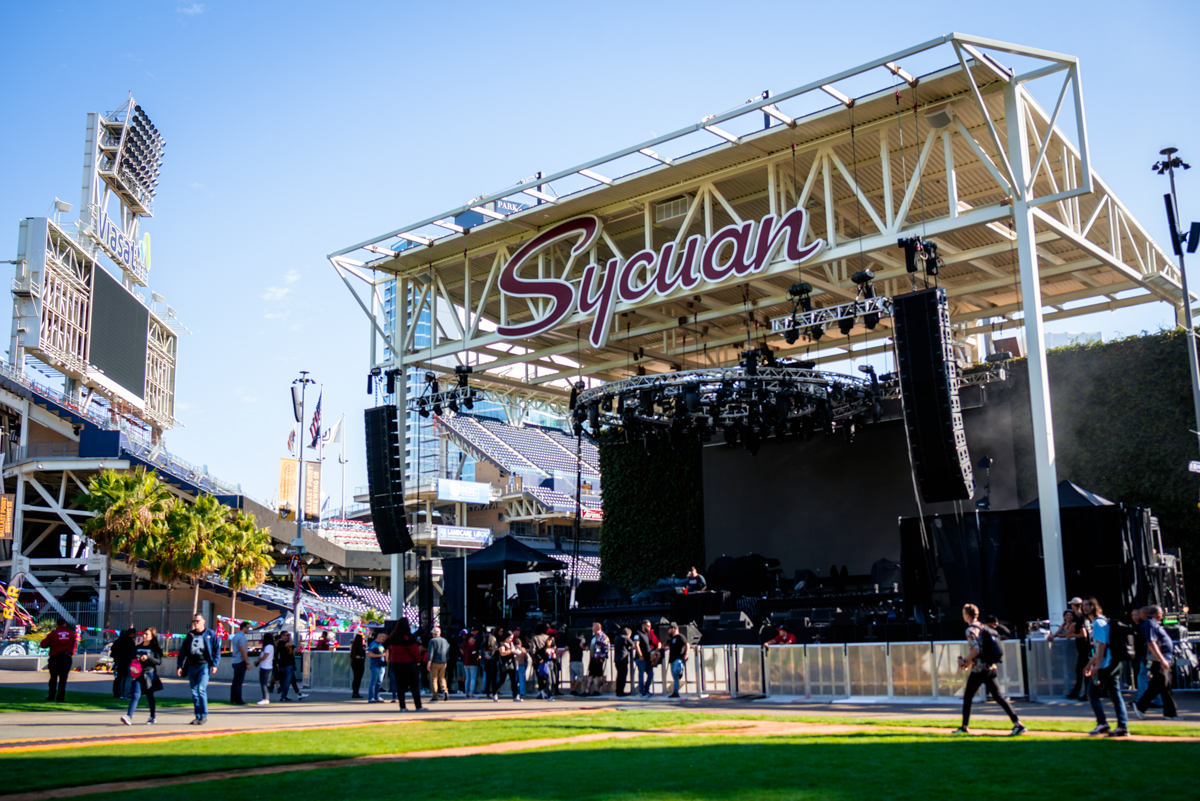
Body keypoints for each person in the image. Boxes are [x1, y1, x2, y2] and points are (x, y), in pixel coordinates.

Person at [953, 604, 1025, 736]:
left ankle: (964, 727)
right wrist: (970, 661)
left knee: (968, 697)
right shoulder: (982, 626)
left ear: (967, 615)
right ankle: (1017, 724)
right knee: (999, 697)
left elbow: (976, 650)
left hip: (979, 669)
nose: (962, 616)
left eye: (963, 613)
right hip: (990, 667)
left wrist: (964, 661)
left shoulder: (970, 630)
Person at [1083, 596, 1128, 737]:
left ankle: (1102, 723)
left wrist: (1096, 666)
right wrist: (1089, 664)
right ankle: (1122, 725)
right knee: (1115, 694)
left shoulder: (1097, 623)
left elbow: (1101, 645)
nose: (1085, 608)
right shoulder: (1103, 621)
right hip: (1113, 662)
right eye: (1084, 605)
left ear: (1093, 607)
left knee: (1092, 692)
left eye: (1088, 605)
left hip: (1105, 665)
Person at [1134, 605, 1178, 720]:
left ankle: (1170, 712)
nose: (1162, 615)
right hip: (1157, 660)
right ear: (1158, 614)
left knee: (1164, 685)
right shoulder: (1150, 624)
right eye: (1162, 613)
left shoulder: (1153, 623)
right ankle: (1141, 705)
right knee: (1160, 683)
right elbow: (1151, 642)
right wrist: (1161, 659)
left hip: (1162, 659)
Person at [176, 613, 221, 725]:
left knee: (201, 689)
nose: (195, 623)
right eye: (194, 621)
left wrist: (215, 664)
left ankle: (204, 715)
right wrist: (179, 666)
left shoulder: (210, 633)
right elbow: (182, 652)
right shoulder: (190, 635)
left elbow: (217, 650)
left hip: (204, 666)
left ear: (203, 622)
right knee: (194, 692)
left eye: (198, 621)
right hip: (191, 666)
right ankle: (198, 716)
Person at [121, 629, 163, 725]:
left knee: (149, 695)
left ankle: (152, 717)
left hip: (149, 674)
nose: (144, 635)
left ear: (152, 636)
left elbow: (158, 661)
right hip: (138, 673)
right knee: (136, 694)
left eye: (147, 634)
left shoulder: (154, 648)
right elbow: (132, 659)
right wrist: (138, 659)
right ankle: (129, 716)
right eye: (143, 633)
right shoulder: (137, 647)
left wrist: (148, 658)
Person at [1047, 609, 1088, 700]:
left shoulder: (1073, 624)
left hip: (1073, 650)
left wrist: (1057, 636)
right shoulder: (1063, 624)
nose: (1069, 617)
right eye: (1067, 615)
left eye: (1070, 615)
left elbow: (1066, 635)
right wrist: (1053, 635)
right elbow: (1059, 632)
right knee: (1072, 670)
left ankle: (1081, 692)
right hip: (1064, 649)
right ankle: (1075, 691)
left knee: (1078, 670)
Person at [387, 619, 423, 711]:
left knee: (400, 685)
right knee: (414, 685)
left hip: (396, 664)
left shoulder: (392, 637)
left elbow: (389, 650)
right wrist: (418, 660)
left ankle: (402, 706)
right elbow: (414, 651)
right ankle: (418, 706)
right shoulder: (409, 637)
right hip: (408, 663)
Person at [41, 617, 77, 702]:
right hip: (66, 658)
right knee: (63, 678)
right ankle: (60, 697)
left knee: (53, 678)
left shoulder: (53, 634)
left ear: (57, 624)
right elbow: (74, 645)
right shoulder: (71, 633)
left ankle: (51, 696)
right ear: (65, 623)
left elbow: (43, 644)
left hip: (55, 658)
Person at [633, 620, 660, 698]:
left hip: (648, 659)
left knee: (651, 674)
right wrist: (640, 655)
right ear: (643, 625)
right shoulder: (638, 634)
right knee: (641, 675)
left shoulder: (648, 635)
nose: (649, 628)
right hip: (641, 659)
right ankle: (642, 691)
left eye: (650, 626)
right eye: (648, 626)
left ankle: (647, 690)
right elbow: (636, 645)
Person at [665, 622, 689, 699]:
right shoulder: (672, 639)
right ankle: (675, 692)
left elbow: (687, 644)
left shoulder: (680, 637)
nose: (668, 631)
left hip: (678, 658)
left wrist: (686, 654)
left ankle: (680, 673)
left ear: (673, 629)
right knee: (675, 678)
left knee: (677, 670)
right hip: (672, 660)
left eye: (669, 629)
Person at [230, 621, 252, 705]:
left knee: (235, 681)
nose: (248, 629)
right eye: (247, 627)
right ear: (243, 628)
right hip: (240, 661)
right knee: (239, 682)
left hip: (235, 660)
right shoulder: (242, 637)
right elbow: (243, 651)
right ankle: (238, 699)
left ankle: (233, 698)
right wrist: (247, 663)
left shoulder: (236, 636)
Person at [111, 628, 136, 699]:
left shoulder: (118, 641)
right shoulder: (129, 641)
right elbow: (131, 653)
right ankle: (126, 693)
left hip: (119, 663)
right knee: (127, 678)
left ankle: (120, 693)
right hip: (126, 662)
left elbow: (113, 652)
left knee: (121, 678)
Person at [426, 627, 450, 702]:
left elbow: (431, 652)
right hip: (443, 661)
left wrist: (429, 662)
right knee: (442, 677)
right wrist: (446, 661)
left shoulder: (432, 641)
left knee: (434, 679)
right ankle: (445, 689)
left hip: (434, 662)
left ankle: (435, 695)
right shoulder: (445, 641)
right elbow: (447, 652)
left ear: (433, 633)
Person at [585, 622, 609, 696]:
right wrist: (588, 647)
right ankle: (587, 690)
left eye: (593, 627)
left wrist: (602, 657)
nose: (592, 628)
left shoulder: (604, 637)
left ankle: (597, 690)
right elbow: (592, 644)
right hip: (592, 658)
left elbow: (606, 648)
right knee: (590, 674)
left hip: (599, 658)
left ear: (598, 628)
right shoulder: (593, 637)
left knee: (599, 674)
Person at [497, 630, 522, 702]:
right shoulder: (502, 644)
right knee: (502, 680)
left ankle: (515, 696)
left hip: (512, 663)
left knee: (514, 680)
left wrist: (515, 652)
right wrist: (511, 651)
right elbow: (502, 653)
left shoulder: (511, 644)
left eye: (512, 638)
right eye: (510, 638)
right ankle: (495, 693)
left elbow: (513, 651)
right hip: (504, 664)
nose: (511, 639)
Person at [478, 627, 499, 701]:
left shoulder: (484, 645)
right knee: (494, 679)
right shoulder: (495, 646)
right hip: (493, 663)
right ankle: (494, 692)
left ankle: (487, 692)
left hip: (487, 663)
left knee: (488, 678)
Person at [613, 627, 634, 697]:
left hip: (616, 659)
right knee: (623, 675)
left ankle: (618, 690)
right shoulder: (626, 638)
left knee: (619, 675)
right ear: (628, 634)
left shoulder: (616, 638)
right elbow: (633, 645)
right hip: (623, 659)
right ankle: (621, 691)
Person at [255, 632, 275, 705]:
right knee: (263, 682)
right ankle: (265, 698)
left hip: (265, 666)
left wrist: (257, 661)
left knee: (263, 683)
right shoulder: (271, 646)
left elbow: (264, 657)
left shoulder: (268, 647)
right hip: (267, 666)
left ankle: (266, 698)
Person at [461, 631, 479, 699]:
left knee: (467, 678)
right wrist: (477, 656)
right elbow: (474, 654)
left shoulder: (464, 644)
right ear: (470, 638)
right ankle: (471, 692)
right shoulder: (472, 645)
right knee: (473, 678)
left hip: (465, 663)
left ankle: (466, 692)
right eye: (472, 638)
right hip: (472, 663)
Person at [350, 633, 367, 699]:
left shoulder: (354, 646)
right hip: (359, 663)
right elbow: (362, 653)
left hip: (354, 663)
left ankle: (354, 692)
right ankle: (356, 692)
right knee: (358, 678)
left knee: (355, 678)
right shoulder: (360, 646)